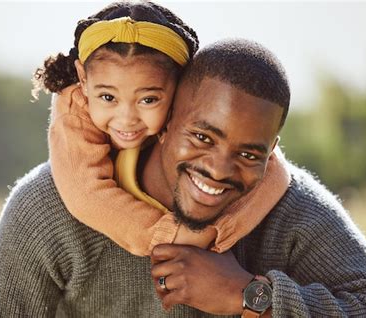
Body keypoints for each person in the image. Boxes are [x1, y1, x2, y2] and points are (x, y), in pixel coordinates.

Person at [0, 15, 366, 318]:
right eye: (203, 137)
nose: (219, 169)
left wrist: (248, 296)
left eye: (249, 153)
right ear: (166, 123)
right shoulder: (44, 211)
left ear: (272, 150)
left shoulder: (290, 210)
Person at [37, 1, 289, 257]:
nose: (126, 119)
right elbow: (86, 195)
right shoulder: (74, 109)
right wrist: (171, 237)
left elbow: (275, 172)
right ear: (83, 79)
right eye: (108, 98)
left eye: (148, 100)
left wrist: (217, 232)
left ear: (179, 88)